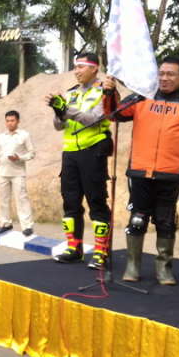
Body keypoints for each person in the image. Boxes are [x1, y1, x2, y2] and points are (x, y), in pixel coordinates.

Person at [106, 55, 179, 285]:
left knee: (165, 221)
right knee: (137, 220)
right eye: (161, 73)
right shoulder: (140, 99)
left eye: (170, 74)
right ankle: (132, 266)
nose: (164, 78)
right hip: (140, 173)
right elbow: (115, 113)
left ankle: (164, 268)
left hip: (170, 176)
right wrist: (110, 93)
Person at [45, 53, 115, 269]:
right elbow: (59, 125)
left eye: (82, 67)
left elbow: (94, 119)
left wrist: (66, 110)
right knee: (70, 203)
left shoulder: (103, 91)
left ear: (95, 69)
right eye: (75, 67)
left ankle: (101, 252)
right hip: (70, 154)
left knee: (97, 203)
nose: (77, 71)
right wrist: (58, 109)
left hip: (92, 151)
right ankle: (74, 249)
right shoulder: (71, 93)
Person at [0, 110, 35, 235]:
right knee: (3, 200)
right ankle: (5, 223)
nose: (10, 123)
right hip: (2, 173)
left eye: (12, 120)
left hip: (18, 172)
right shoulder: (1, 137)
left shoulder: (24, 135)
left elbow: (32, 153)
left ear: (18, 121)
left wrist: (19, 158)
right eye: (7, 121)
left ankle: (27, 226)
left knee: (22, 199)